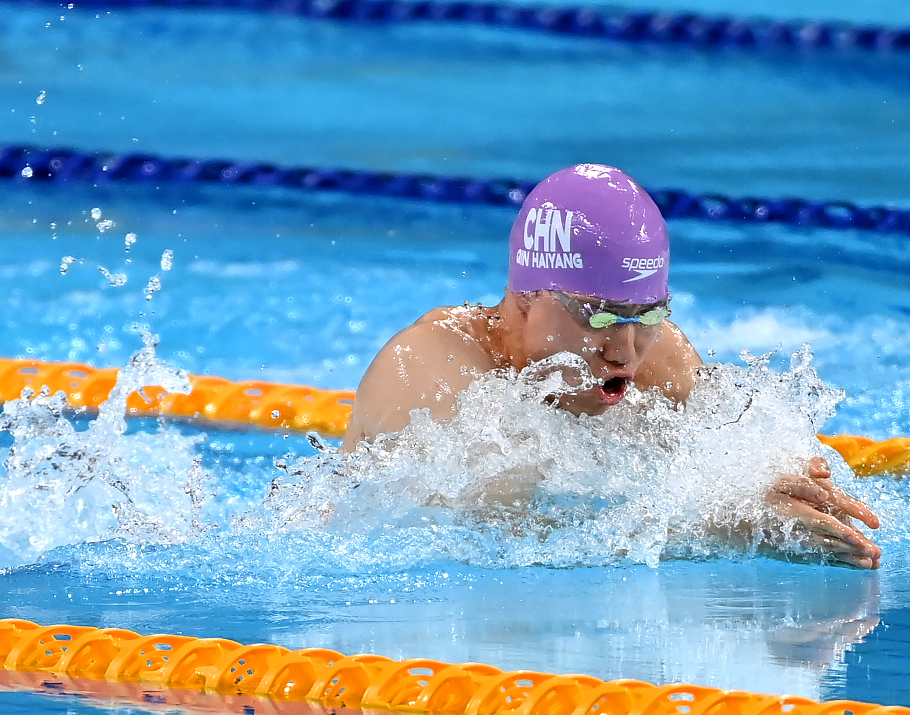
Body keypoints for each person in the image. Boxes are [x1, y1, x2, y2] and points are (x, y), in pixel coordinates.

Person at [341, 163, 881, 569]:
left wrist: (776, 484)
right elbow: (492, 533)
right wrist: (728, 526)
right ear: (529, 296)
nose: (623, 351)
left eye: (647, 314)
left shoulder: (653, 346)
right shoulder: (431, 366)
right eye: (598, 317)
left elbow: (727, 443)